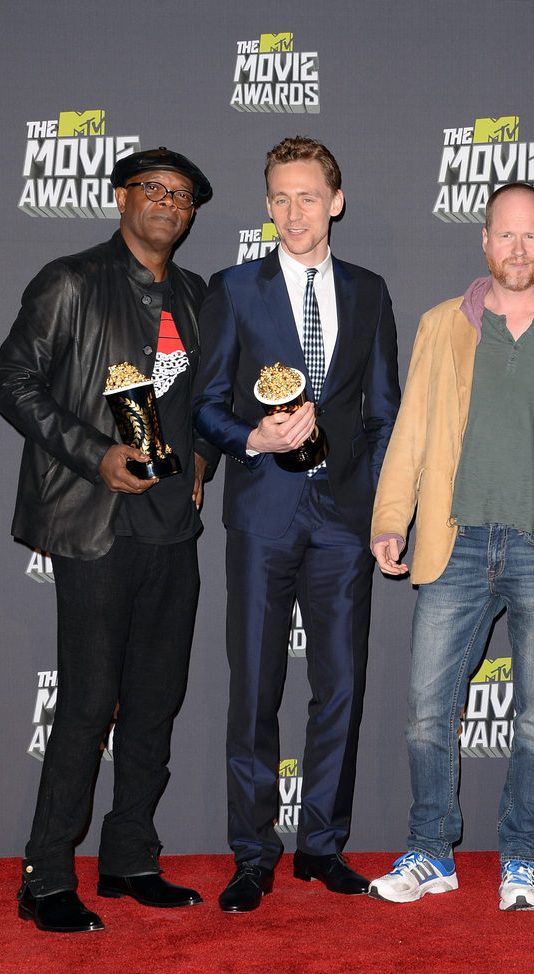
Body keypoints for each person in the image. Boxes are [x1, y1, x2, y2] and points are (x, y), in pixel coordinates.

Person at [367, 182, 534, 911]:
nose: (518, 249)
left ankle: (521, 859)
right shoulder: (439, 325)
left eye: (532, 236)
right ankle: (432, 852)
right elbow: (411, 435)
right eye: (505, 235)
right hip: (454, 546)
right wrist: (391, 518)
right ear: (484, 240)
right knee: (428, 710)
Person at [0, 147, 217, 933]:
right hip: (96, 525)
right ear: (121, 197)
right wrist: (95, 454)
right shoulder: (71, 280)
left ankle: (129, 861)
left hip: (171, 531)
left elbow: (206, 400)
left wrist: (202, 464)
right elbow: (12, 381)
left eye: (182, 196)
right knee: (89, 704)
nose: (167, 203)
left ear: (192, 215)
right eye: (152, 189)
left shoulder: (193, 295)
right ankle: (46, 877)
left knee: (155, 703)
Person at [194, 136, 401, 911]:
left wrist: (380, 510)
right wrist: (253, 436)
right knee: (254, 687)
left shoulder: (371, 291)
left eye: (307, 196)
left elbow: (383, 413)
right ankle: (253, 854)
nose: (292, 212)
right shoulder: (235, 289)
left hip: (344, 519)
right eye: (279, 198)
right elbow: (206, 404)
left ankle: (321, 846)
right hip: (263, 513)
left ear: (335, 202)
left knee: (341, 686)